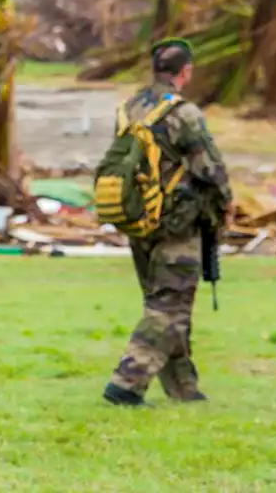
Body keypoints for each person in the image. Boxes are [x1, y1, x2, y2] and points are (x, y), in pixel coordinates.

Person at [103, 38, 233, 407]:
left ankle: (183, 387)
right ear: (186, 72)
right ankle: (126, 382)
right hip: (177, 223)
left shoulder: (130, 108)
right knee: (170, 306)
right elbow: (209, 168)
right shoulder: (183, 113)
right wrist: (226, 205)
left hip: (139, 220)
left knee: (163, 303)